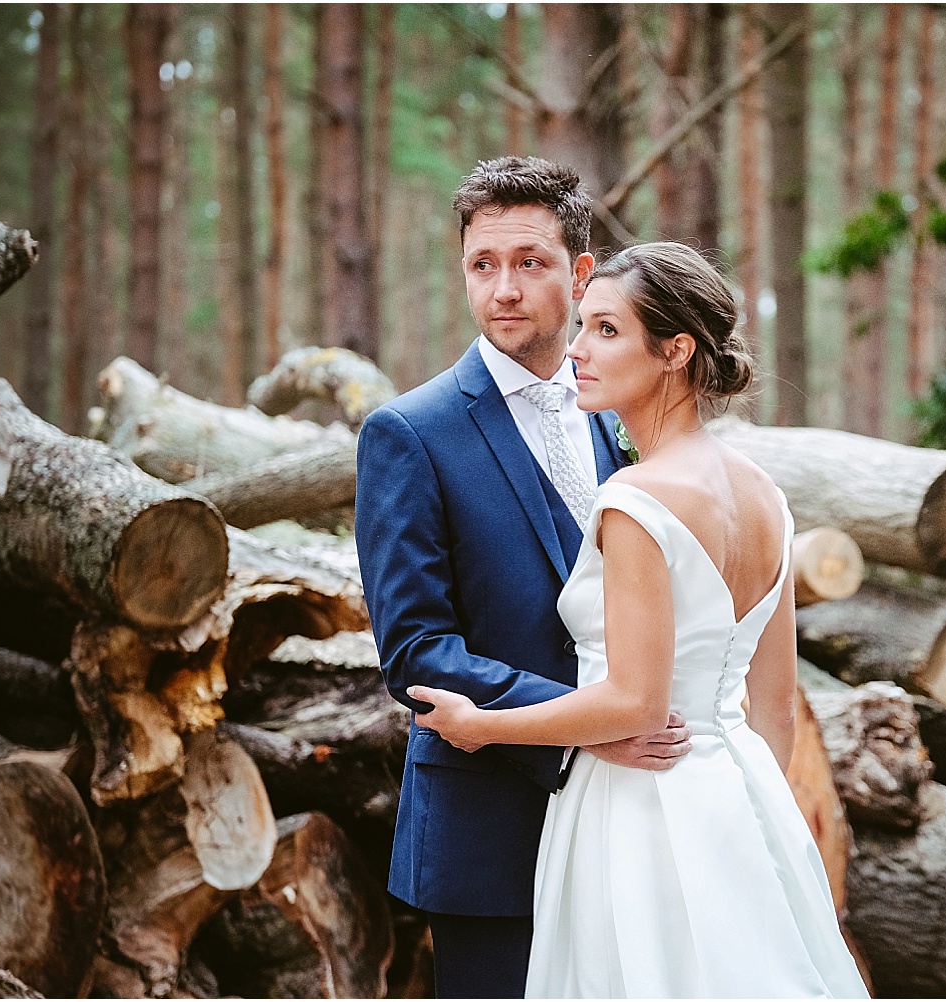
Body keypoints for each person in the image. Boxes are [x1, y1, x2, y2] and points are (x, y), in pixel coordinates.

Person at [410, 241, 871, 998]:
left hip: (638, 813)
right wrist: (746, 822)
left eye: (606, 331)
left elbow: (635, 704)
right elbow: (776, 707)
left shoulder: (636, 499)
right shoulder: (764, 494)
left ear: (676, 351)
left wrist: (482, 725)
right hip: (742, 804)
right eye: (584, 327)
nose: (578, 351)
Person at [355, 158, 693, 1000]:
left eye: (529, 263)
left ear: (581, 274)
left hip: (629, 822)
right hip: (488, 837)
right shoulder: (409, 433)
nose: (503, 288)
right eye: (483, 265)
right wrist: (584, 729)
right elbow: (417, 652)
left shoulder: (616, 422)